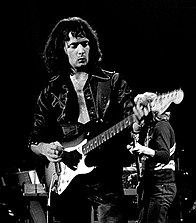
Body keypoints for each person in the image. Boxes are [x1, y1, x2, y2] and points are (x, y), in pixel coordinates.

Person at [28, 16, 151, 223]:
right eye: (74, 45)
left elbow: (132, 123)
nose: (81, 50)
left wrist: (138, 119)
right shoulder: (51, 91)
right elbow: (33, 139)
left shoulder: (113, 81)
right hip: (68, 177)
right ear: (62, 49)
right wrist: (45, 149)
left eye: (85, 44)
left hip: (106, 176)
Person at [131, 111, 177, 223]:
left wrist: (143, 149)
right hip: (152, 186)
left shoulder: (162, 126)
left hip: (162, 186)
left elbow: (164, 155)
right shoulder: (149, 129)